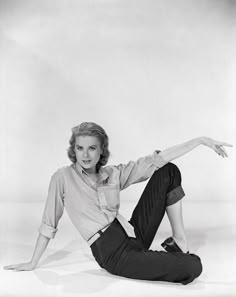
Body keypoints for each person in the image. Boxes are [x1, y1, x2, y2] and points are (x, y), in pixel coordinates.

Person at [4, 122, 233, 285]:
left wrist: (201, 141)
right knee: (193, 267)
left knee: (168, 171)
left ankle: (179, 241)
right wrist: (33, 262)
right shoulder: (62, 177)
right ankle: (173, 259)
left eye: (92, 147)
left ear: (101, 150)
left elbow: (156, 160)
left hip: (132, 234)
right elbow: (49, 221)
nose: (85, 155)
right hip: (113, 254)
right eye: (80, 148)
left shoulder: (112, 174)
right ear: (73, 150)